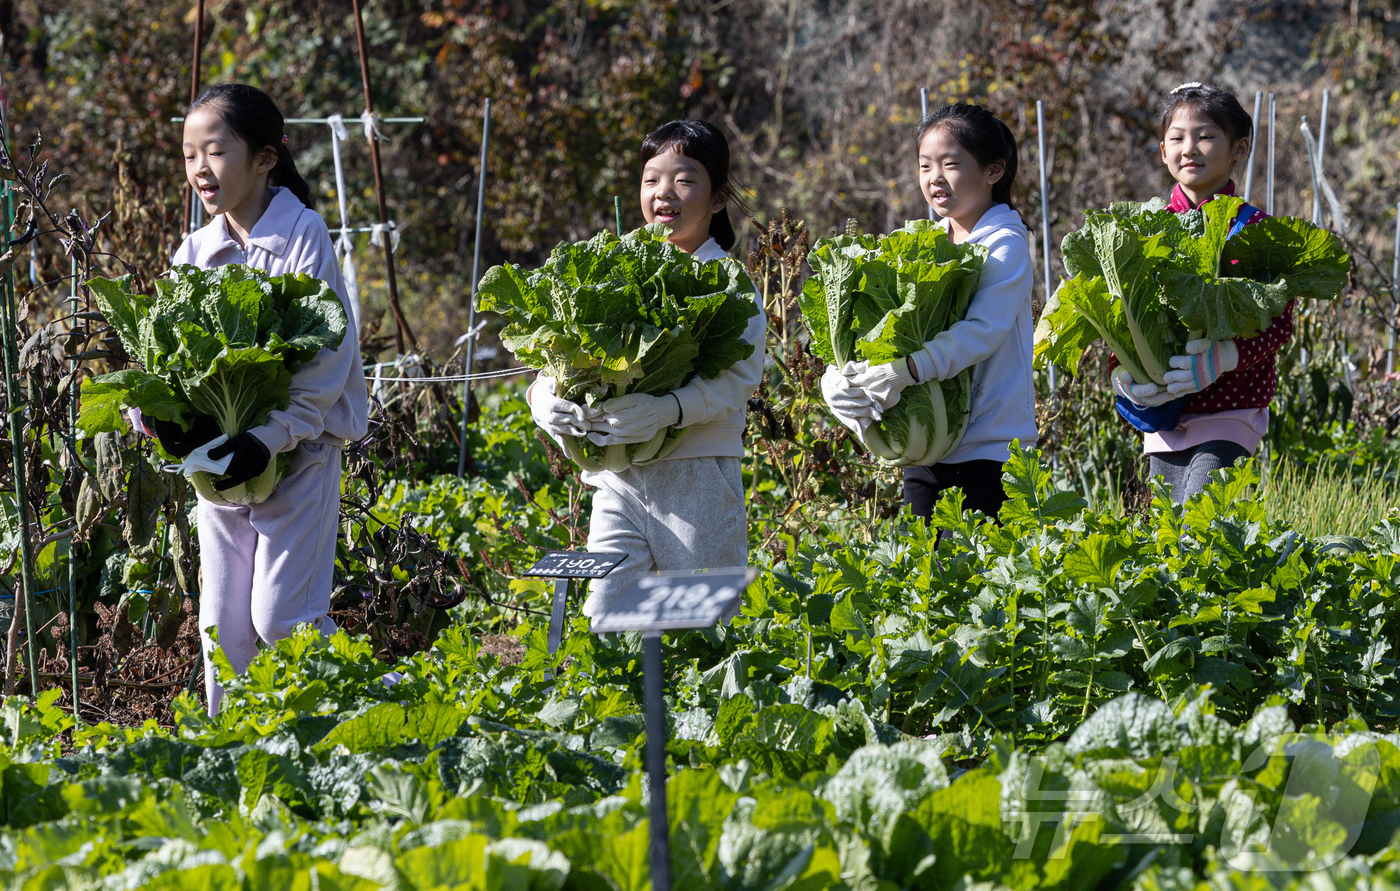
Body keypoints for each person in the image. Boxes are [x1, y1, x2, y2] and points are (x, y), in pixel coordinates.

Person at [149, 83, 369, 713]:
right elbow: (163, 359)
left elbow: (326, 362)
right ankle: (237, 749)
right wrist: (163, 422)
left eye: (214, 152)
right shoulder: (195, 252)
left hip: (299, 455)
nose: (199, 169)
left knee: (283, 622)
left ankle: (374, 710)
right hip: (219, 468)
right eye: (189, 155)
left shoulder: (303, 234)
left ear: (266, 157)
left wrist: (265, 439)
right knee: (223, 629)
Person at [525, 119, 762, 617]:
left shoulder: (728, 279)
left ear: (718, 199)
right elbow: (563, 346)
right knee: (606, 614)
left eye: (684, 179)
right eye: (652, 179)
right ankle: (613, 692)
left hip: (697, 477)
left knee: (704, 619)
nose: (664, 192)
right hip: (618, 478)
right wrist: (545, 398)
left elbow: (739, 380)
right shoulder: (613, 264)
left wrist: (668, 410)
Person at [822, 103, 1036, 521]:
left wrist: (906, 371)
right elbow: (875, 331)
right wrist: (840, 379)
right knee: (927, 577)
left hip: (993, 452)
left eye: (950, 164)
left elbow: (980, 332)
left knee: (988, 579)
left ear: (994, 171)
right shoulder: (921, 245)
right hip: (925, 448)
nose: (934, 178)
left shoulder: (1006, 245)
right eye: (924, 166)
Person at [1111, 82, 1286, 503]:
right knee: (1167, 527)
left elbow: (1279, 323)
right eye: (1177, 138)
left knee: (1201, 513)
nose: (1189, 148)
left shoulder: (1254, 229)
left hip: (1233, 405)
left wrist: (1223, 358)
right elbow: (1123, 312)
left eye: (1206, 136)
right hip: (1167, 411)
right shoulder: (1147, 228)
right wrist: (1123, 373)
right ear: (1162, 150)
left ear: (1238, 149)